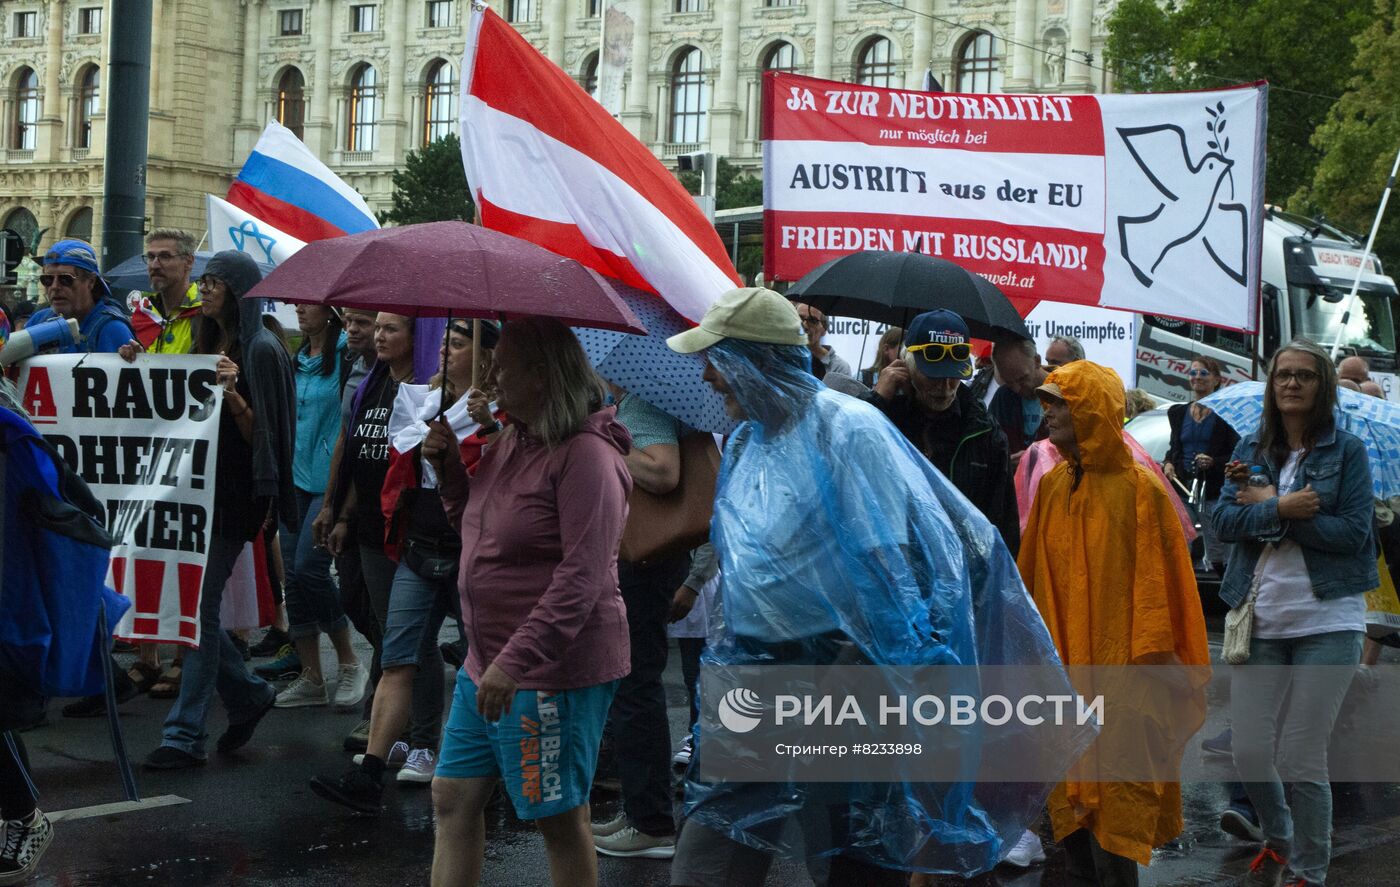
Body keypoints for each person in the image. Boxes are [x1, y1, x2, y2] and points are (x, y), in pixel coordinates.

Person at [665, 288, 1085, 886]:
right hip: (753, 681)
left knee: (853, 857)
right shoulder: (743, 443)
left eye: (717, 359)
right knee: (711, 855)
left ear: (756, 360)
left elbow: (895, 574)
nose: (707, 376)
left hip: (844, 679)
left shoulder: (849, 430)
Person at [422, 317, 631, 887]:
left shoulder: (587, 457)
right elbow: (478, 530)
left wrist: (515, 662)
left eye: (502, 367)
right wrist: (446, 471)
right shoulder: (512, 438)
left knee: (558, 819)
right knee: (453, 798)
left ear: (541, 375)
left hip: (547, 672)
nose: (488, 377)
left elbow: (582, 580)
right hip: (484, 662)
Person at [1018, 360, 1210, 885]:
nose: (1049, 410)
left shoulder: (1141, 492)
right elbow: (1034, 584)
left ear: (1092, 410)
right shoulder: (1056, 487)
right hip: (1067, 683)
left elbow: (1161, 599)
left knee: (1114, 829)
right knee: (1073, 831)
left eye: (1060, 400)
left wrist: (1155, 669)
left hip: (1125, 685)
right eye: (1048, 400)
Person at [311, 320, 496, 806]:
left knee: (487, 660)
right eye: (445, 344)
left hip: (471, 549)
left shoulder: (501, 412)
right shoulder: (419, 399)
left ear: (486, 357)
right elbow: (396, 461)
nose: (445, 353)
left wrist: (485, 429)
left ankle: (490, 768)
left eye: (458, 345)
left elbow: (500, 484)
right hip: (420, 543)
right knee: (398, 656)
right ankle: (370, 773)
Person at [1213, 339, 1375, 887]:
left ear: (1322, 386)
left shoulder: (1347, 452)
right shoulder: (1250, 447)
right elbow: (1220, 521)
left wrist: (1271, 513)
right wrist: (1280, 506)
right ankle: (1279, 839)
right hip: (1260, 616)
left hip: (1328, 618)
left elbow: (1355, 535)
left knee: (1302, 755)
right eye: (1283, 374)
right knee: (1250, 748)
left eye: (1304, 375)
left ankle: (1311, 871)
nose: (1291, 383)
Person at [144, 251, 295, 769]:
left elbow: (267, 440)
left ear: (236, 290)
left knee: (199, 609)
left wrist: (232, 395)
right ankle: (249, 694)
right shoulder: (207, 340)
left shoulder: (262, 349)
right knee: (198, 611)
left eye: (212, 283)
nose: (203, 291)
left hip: (236, 499)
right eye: (203, 282)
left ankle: (184, 735)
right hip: (198, 494)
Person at [592, 383, 687, 859]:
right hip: (645, 559)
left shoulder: (645, 401)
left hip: (647, 560)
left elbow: (664, 472)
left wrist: (604, 443)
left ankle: (651, 822)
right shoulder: (628, 403)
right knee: (631, 685)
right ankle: (641, 811)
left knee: (635, 686)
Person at [272, 305, 369, 710]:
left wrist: (338, 501)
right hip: (293, 477)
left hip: (327, 481)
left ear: (330, 313)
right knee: (291, 579)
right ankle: (312, 677)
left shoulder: (348, 354)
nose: (298, 307)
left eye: (307, 302)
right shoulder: (296, 357)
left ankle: (350, 662)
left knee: (309, 571)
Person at [865, 309, 1019, 553]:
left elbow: (1003, 521)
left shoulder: (983, 429)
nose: (945, 387)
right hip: (894, 568)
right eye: (933, 376)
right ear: (906, 366)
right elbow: (845, 469)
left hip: (966, 573)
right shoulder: (884, 416)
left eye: (953, 376)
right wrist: (876, 400)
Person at [311, 307, 382, 750]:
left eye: (365, 323)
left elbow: (375, 451)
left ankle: (385, 707)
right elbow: (347, 437)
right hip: (348, 505)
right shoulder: (354, 368)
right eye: (349, 321)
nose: (351, 329)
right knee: (354, 599)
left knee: (394, 617)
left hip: (378, 511)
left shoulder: (400, 379)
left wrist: (344, 514)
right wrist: (330, 504)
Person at [1164, 357, 1240, 574]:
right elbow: (1174, 447)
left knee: (1217, 550)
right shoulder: (1178, 413)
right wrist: (1169, 463)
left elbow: (1237, 453)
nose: (1197, 377)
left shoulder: (1226, 414)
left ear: (1216, 379)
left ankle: (1219, 594)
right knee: (1179, 541)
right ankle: (1184, 588)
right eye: (1193, 372)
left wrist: (1213, 461)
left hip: (1213, 490)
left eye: (1204, 373)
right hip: (1183, 488)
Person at [27, 239, 134, 354]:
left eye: (65, 279)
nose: (54, 287)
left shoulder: (112, 329)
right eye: (47, 279)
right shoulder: (38, 321)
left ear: (91, 282)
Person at [127, 228, 202, 354]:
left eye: (165, 256)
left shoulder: (205, 313)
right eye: (151, 257)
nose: (154, 265)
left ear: (188, 262)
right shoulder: (143, 314)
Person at [989, 337, 1049, 463]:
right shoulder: (1003, 397)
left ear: (1037, 360)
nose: (1017, 389)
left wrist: (1037, 457)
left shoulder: (1064, 394)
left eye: (1022, 379)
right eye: (1009, 382)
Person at [791, 302, 852, 379]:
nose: (805, 325)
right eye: (800, 318)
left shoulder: (838, 368)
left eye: (812, 320)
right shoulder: (784, 360)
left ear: (824, 329)